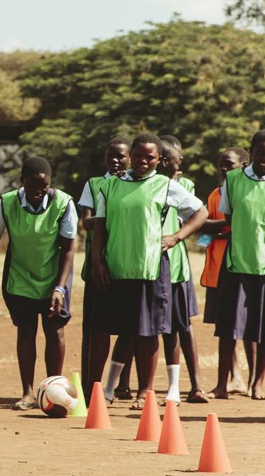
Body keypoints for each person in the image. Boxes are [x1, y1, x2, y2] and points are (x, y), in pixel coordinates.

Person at [88, 134, 207, 406]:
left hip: (150, 268)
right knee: (115, 330)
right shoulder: (110, 185)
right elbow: (100, 227)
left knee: (148, 331)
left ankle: (146, 392)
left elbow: (200, 212)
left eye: (150, 157)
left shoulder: (165, 186)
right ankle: (103, 390)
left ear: (159, 160)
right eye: (138, 155)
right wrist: (97, 263)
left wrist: (176, 237)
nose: (143, 161)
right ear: (130, 155)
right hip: (116, 268)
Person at [0, 157, 77, 410]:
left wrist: (60, 288)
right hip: (20, 279)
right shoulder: (6, 204)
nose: (38, 191)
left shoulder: (64, 203)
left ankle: (53, 388)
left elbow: (69, 249)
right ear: (22, 182)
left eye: (44, 186)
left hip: (54, 279)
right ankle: (28, 393)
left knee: (55, 330)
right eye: (32, 186)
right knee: (26, 331)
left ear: (50, 183)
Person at [210, 129, 265, 402]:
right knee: (229, 325)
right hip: (238, 259)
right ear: (251, 152)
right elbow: (229, 217)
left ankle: (257, 383)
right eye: (260, 153)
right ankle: (222, 384)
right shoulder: (233, 180)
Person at [77, 138, 130, 404]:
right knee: (94, 328)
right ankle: (90, 386)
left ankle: (122, 384)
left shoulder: (133, 185)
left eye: (121, 156)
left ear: (130, 158)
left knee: (129, 329)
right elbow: (86, 222)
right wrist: (112, 216)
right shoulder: (94, 184)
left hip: (126, 263)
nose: (115, 161)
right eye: (111, 156)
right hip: (98, 266)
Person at [158, 137, 206, 404]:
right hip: (155, 268)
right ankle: (128, 386)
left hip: (178, 267)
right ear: (165, 160)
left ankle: (196, 384)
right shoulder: (149, 185)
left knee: (182, 325)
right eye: (177, 157)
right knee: (154, 329)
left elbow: (192, 217)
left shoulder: (184, 186)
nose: (181, 162)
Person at [200, 147, 251, 398]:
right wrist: (215, 229)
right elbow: (206, 227)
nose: (223, 168)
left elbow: (241, 225)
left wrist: (211, 227)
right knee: (225, 326)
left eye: (229, 164)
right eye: (221, 164)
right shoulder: (215, 194)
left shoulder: (248, 192)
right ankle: (235, 377)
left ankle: (253, 380)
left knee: (248, 325)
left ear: (244, 165)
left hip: (241, 266)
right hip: (218, 268)